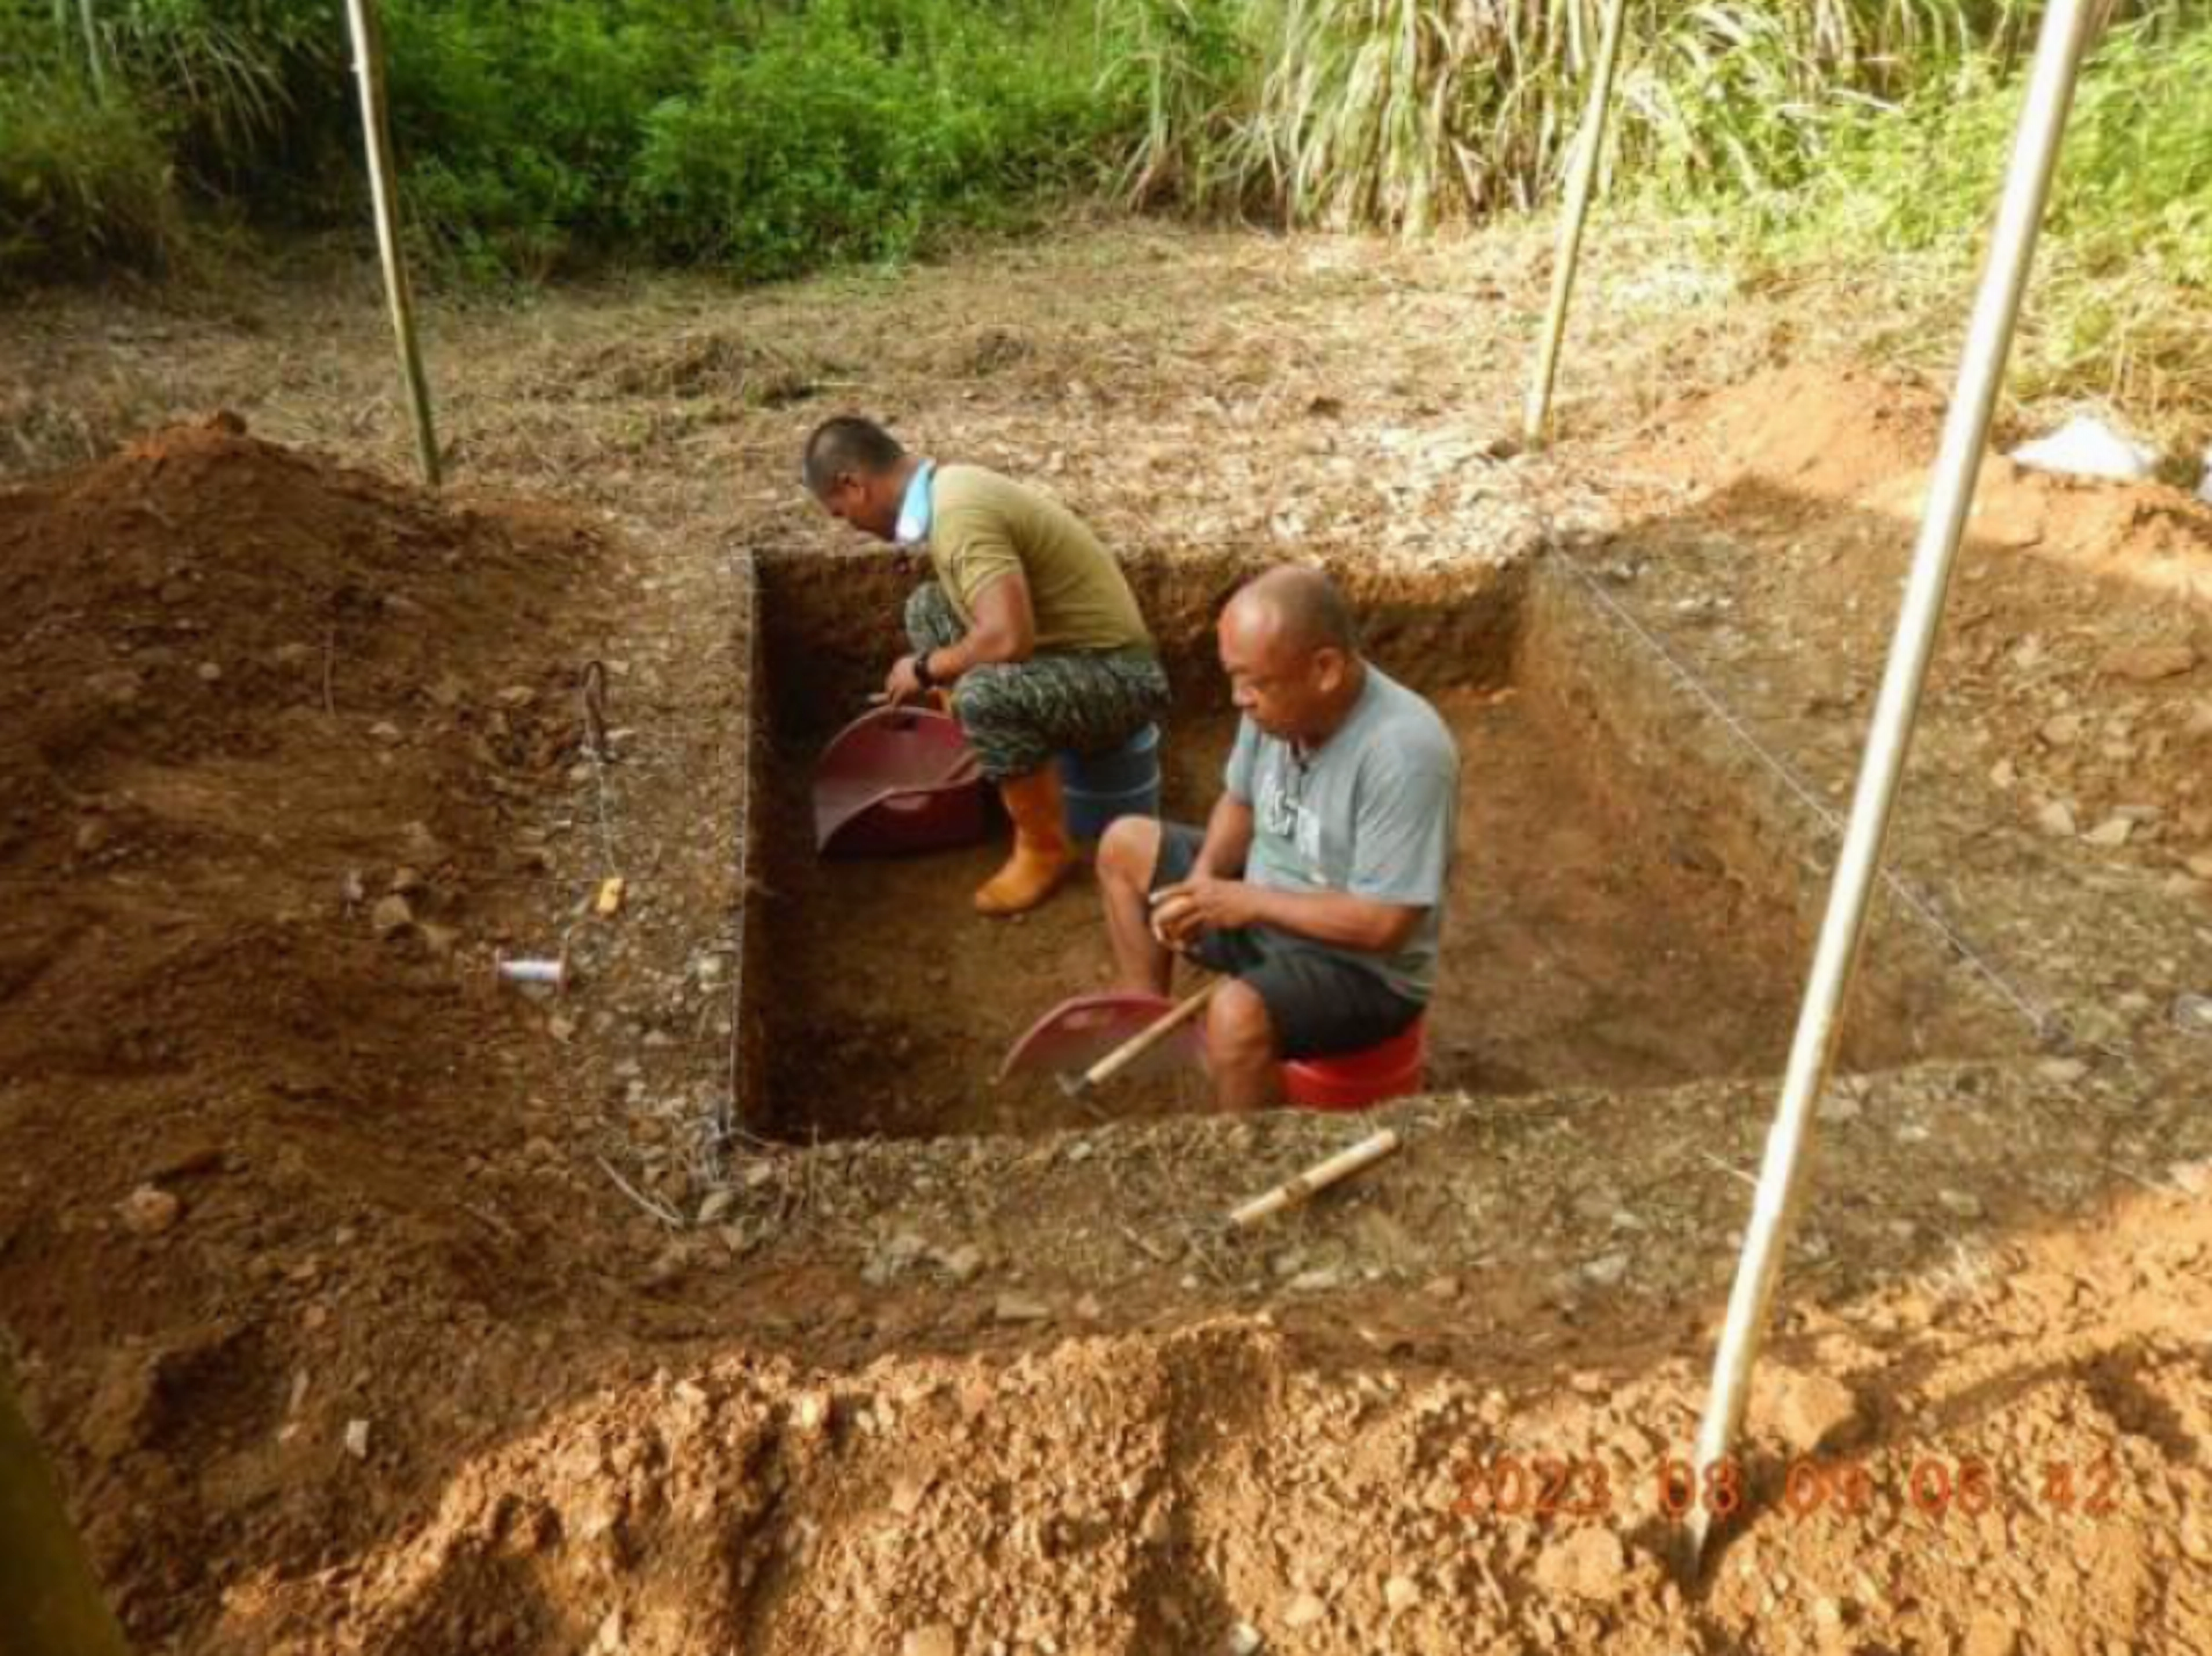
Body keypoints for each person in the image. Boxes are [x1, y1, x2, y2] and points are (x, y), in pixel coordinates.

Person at [1097, 566, 1459, 1110]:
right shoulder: (1273, 704)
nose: (1240, 699)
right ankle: (1154, 1031)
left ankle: (1252, 1158)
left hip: (1361, 969)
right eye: (1234, 678)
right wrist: (1201, 884)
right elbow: (1241, 801)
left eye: (1255, 683)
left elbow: (1385, 925)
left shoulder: (1404, 753)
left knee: (1235, 1018)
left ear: (1325, 669)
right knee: (1124, 844)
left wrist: (1247, 902)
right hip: (1262, 909)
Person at [803, 416, 1169, 915]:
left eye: (843, 514)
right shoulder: (950, 491)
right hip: (1071, 659)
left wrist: (927, 668)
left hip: (1122, 679)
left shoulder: (959, 516)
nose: (854, 528)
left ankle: (1046, 849)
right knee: (928, 608)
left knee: (982, 695)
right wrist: (936, 662)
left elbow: (1008, 638)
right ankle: (995, 758)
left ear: (853, 484)